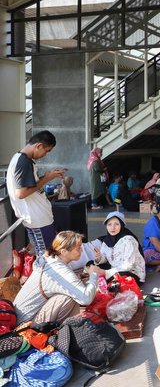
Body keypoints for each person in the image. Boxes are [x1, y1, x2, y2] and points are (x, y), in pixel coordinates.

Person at [13, 231, 100, 325]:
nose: (81, 251)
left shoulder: (52, 259)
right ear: (64, 251)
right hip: (25, 324)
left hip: (22, 317)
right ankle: (67, 332)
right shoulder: (57, 269)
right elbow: (85, 298)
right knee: (69, 297)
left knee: (73, 290)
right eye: (78, 248)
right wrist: (93, 276)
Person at [6, 130, 65, 260]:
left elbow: (29, 187)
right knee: (46, 257)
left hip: (40, 217)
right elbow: (21, 193)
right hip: (36, 218)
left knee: (48, 255)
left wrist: (47, 176)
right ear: (38, 146)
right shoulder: (23, 162)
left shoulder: (24, 160)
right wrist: (47, 178)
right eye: (46, 151)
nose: (45, 154)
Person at [83, 211, 145, 285]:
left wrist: (104, 272)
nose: (112, 227)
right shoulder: (107, 240)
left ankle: (98, 279)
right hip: (114, 269)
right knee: (90, 264)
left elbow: (128, 265)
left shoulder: (129, 240)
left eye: (116, 224)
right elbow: (105, 258)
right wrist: (99, 258)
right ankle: (100, 279)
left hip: (131, 272)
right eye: (109, 224)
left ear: (122, 225)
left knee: (118, 278)